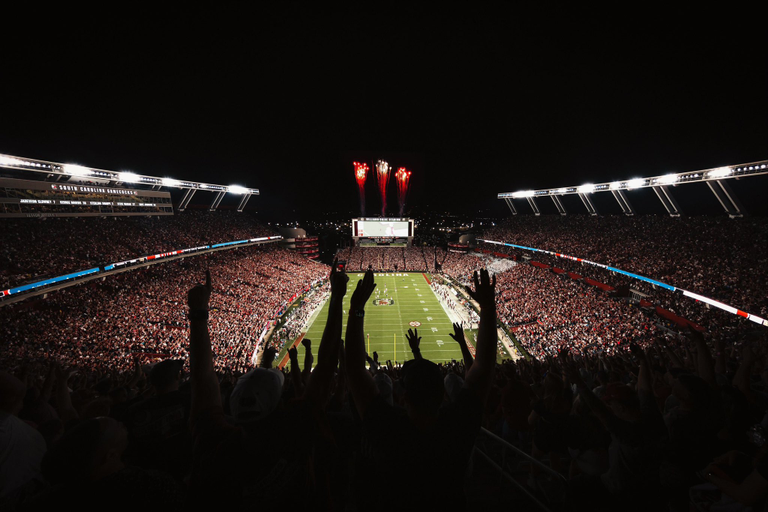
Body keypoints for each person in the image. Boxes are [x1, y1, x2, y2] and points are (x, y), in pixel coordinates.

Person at [345, 269, 498, 510]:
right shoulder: (457, 427)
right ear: (442, 395)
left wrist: (357, 309)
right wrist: (488, 310)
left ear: (403, 398)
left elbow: (354, 369)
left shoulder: (389, 431)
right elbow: (484, 367)